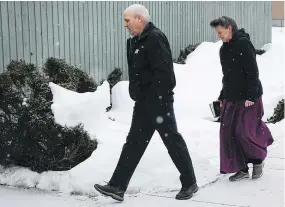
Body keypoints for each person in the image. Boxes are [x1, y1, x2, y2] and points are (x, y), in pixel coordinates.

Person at [94, 4, 198, 201]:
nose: (125, 25)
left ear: (139, 18)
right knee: (133, 143)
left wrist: (152, 95)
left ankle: (190, 182)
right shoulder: (134, 41)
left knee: (172, 141)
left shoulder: (155, 39)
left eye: (127, 20)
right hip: (143, 103)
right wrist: (137, 93)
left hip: (159, 102)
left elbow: (166, 76)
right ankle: (117, 186)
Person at [210, 16, 274, 181]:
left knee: (245, 132)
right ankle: (242, 168)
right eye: (217, 33)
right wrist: (222, 96)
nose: (219, 36)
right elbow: (227, 76)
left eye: (220, 32)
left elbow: (253, 72)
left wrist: (251, 96)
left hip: (248, 97)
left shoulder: (243, 44)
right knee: (228, 133)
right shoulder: (224, 49)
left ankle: (258, 161)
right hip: (231, 96)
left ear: (229, 27)